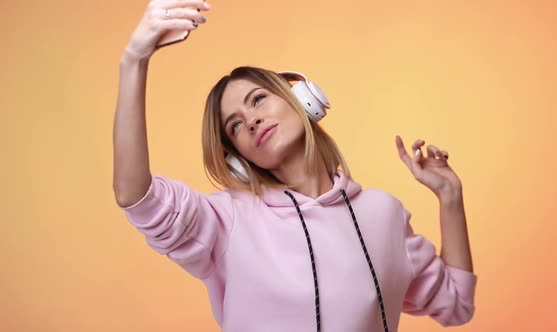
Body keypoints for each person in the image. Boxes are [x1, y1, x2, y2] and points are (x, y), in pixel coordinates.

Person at [113, 1, 477, 331]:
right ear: (238, 157)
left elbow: (456, 305)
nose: (252, 120)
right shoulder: (227, 220)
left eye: (258, 100)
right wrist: (135, 59)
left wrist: (450, 196)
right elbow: (135, 195)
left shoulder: (385, 214)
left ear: (303, 100)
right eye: (235, 125)